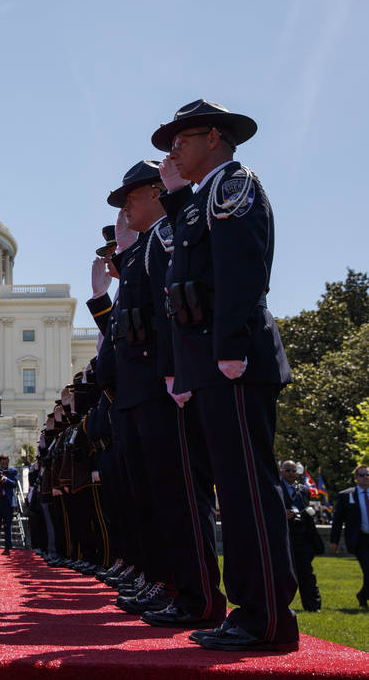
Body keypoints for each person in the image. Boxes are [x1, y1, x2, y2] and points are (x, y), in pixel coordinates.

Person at [153, 99, 298, 651]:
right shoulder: (204, 196)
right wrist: (173, 193)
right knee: (232, 492)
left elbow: (240, 271)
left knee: (247, 492)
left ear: (213, 137)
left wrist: (230, 346)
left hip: (230, 358)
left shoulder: (234, 185)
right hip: (211, 361)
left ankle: (266, 619)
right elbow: (186, 268)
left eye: (181, 141)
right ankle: (249, 610)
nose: (173, 152)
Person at [98, 160, 226, 627]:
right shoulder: (146, 248)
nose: (124, 208)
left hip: (161, 388)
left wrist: (175, 374)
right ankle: (175, 586)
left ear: (156, 192)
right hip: (140, 390)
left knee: (179, 495)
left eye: (131, 197)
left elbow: (172, 312)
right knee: (153, 496)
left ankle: (197, 595)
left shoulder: (165, 239)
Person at [280, 461, 323, 612]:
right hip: (282, 535)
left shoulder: (303, 490)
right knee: (281, 572)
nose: (291, 473)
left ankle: (313, 605)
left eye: (293, 471)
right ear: (281, 471)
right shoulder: (275, 488)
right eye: (287, 470)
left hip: (301, 535)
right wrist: (282, 514)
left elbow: (307, 510)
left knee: (306, 572)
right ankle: (279, 604)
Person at [329, 465, 369, 609]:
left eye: (367, 474)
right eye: (362, 474)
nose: (365, 477)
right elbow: (338, 520)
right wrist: (334, 541)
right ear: (356, 478)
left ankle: (363, 595)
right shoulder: (346, 495)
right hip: (360, 539)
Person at [0, 455, 19, 555]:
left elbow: (14, 483)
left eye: (6, 462)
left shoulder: (13, 471)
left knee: (7, 525)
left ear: (8, 462)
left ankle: (7, 549)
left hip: (7, 501)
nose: (4, 464)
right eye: (2, 462)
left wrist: (5, 479)